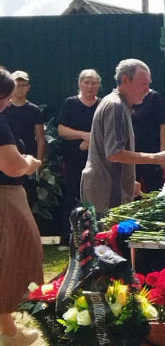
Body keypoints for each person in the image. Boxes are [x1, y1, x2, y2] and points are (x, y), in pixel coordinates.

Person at [80, 59, 165, 216]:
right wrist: (157, 157)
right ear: (125, 80)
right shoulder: (116, 106)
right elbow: (114, 153)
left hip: (108, 189)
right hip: (106, 193)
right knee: (106, 239)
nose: (148, 90)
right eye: (143, 83)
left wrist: (127, 180)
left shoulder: (118, 104)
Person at [0, 68, 42, 346]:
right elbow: (13, 166)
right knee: (16, 257)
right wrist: (30, 163)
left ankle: (9, 332)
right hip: (5, 195)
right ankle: (9, 332)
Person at [57, 69, 101, 249]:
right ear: (80, 84)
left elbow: (109, 132)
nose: (90, 86)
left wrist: (91, 143)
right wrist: (85, 136)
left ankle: (96, 237)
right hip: (75, 160)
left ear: (99, 85)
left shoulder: (104, 104)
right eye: (86, 82)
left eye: (93, 83)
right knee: (72, 197)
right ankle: (67, 239)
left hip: (98, 160)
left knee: (97, 198)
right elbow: (62, 130)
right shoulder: (70, 104)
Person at [131, 89, 165, 193]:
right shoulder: (128, 98)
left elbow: (164, 125)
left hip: (152, 151)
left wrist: (163, 152)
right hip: (132, 153)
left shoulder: (154, 97)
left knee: (154, 190)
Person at [3, 71, 44, 161]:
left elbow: (40, 139)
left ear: (28, 87)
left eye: (23, 85)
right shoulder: (3, 108)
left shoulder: (34, 110)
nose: (20, 88)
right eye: (17, 85)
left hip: (29, 158)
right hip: (6, 157)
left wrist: (39, 162)